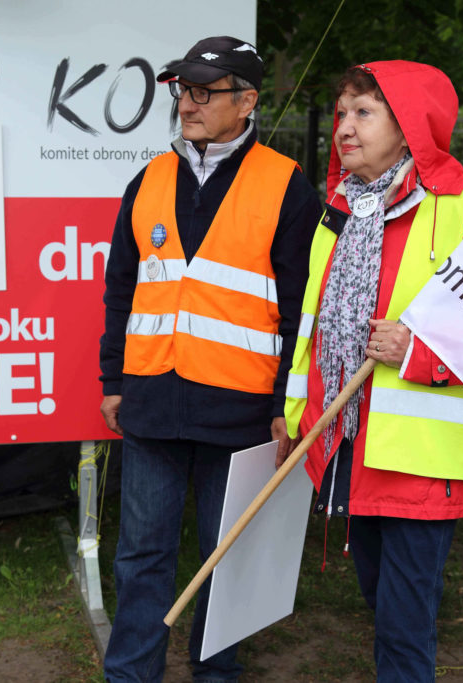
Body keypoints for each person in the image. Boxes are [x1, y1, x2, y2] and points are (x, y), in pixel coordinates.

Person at [282, 61, 463, 682]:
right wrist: (296, 416)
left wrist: (418, 353)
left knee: (403, 624)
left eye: (363, 113)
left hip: (427, 458)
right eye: (341, 113)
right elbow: (314, 326)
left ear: (410, 123)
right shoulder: (340, 209)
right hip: (352, 444)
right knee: (378, 599)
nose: (344, 128)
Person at [98, 35, 320, 682]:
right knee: (141, 555)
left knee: (227, 557)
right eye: (182, 91)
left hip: (241, 410)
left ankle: (216, 672)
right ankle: (130, 674)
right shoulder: (148, 179)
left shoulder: (286, 185)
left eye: (203, 92)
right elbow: (121, 288)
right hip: (151, 402)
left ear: (246, 102)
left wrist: (284, 402)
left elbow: (300, 306)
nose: (187, 104)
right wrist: (114, 379)